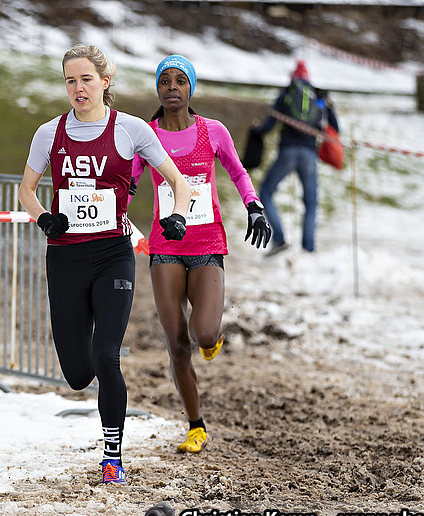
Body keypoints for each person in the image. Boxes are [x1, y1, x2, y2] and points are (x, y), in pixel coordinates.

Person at [18, 44, 191, 485]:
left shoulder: (131, 129)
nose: (78, 88)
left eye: (86, 79)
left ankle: (112, 458)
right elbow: (26, 190)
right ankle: (92, 371)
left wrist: (177, 215)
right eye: (70, 81)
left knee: (106, 355)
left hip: (113, 254)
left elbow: (179, 182)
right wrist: (44, 217)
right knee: (78, 374)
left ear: (104, 81)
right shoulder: (49, 133)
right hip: (66, 256)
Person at [132, 55, 271, 454]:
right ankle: (196, 426)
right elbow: (130, 181)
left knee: (204, 333)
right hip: (165, 247)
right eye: (165, 81)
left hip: (207, 243)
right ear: (158, 89)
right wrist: (110, 205)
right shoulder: (147, 135)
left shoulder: (214, 131)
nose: (172, 88)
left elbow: (238, 171)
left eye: (180, 81)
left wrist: (254, 206)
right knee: (178, 344)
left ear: (191, 88)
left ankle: (212, 336)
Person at [253, 59, 339, 255]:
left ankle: (279, 238)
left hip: (287, 152)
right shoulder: (318, 98)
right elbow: (335, 128)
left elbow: (268, 126)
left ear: (292, 77)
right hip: (309, 155)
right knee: (311, 203)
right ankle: (308, 248)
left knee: (265, 192)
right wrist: (329, 105)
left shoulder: (286, 95)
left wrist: (256, 130)